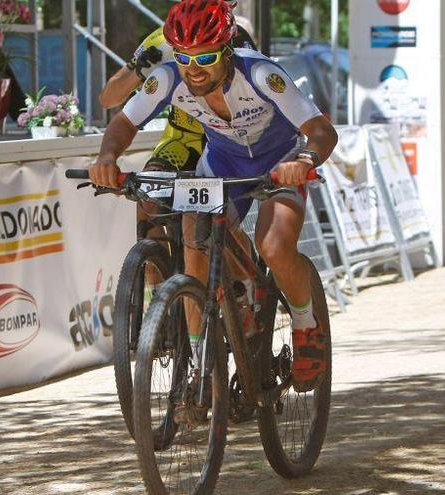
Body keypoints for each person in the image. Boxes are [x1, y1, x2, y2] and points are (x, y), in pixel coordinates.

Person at [89, 0, 338, 393]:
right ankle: (201, 354)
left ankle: (307, 325)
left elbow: (322, 131)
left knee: (273, 246)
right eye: (185, 57)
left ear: (226, 50)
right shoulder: (169, 77)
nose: (194, 69)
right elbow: (122, 122)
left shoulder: (259, 72)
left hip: (279, 161)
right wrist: (106, 157)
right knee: (194, 240)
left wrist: (305, 157)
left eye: (205, 57)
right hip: (223, 162)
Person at [98, 6, 257, 242]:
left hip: (227, 143)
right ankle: (155, 274)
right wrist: (137, 72)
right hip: (183, 140)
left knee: (219, 231)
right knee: (147, 202)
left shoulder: (233, 36)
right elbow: (108, 99)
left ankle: (244, 276)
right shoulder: (163, 39)